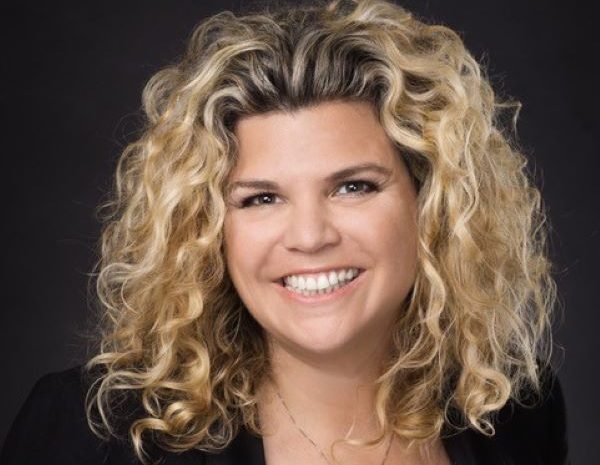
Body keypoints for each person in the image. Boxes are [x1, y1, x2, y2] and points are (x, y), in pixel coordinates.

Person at [1, 0, 570, 464]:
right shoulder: (95, 433)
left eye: (353, 187)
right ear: (208, 227)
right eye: (262, 198)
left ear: (432, 202)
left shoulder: (513, 413)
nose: (309, 236)